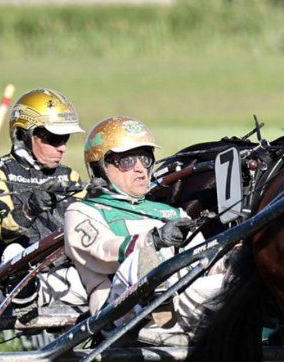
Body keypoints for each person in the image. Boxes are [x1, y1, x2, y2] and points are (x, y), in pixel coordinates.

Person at [64, 116, 212, 345]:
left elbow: (204, 259)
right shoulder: (82, 210)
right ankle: (159, 302)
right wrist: (154, 240)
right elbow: (103, 251)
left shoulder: (173, 213)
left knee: (235, 273)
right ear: (100, 167)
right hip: (117, 311)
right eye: (127, 161)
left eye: (145, 159)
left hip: (184, 298)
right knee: (141, 257)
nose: (141, 169)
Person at [0, 88, 87, 320]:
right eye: (53, 139)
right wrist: (30, 207)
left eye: (65, 138)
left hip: (66, 276)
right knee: (14, 252)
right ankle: (26, 295)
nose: (62, 147)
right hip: (7, 283)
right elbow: (0, 230)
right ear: (23, 135)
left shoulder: (69, 176)